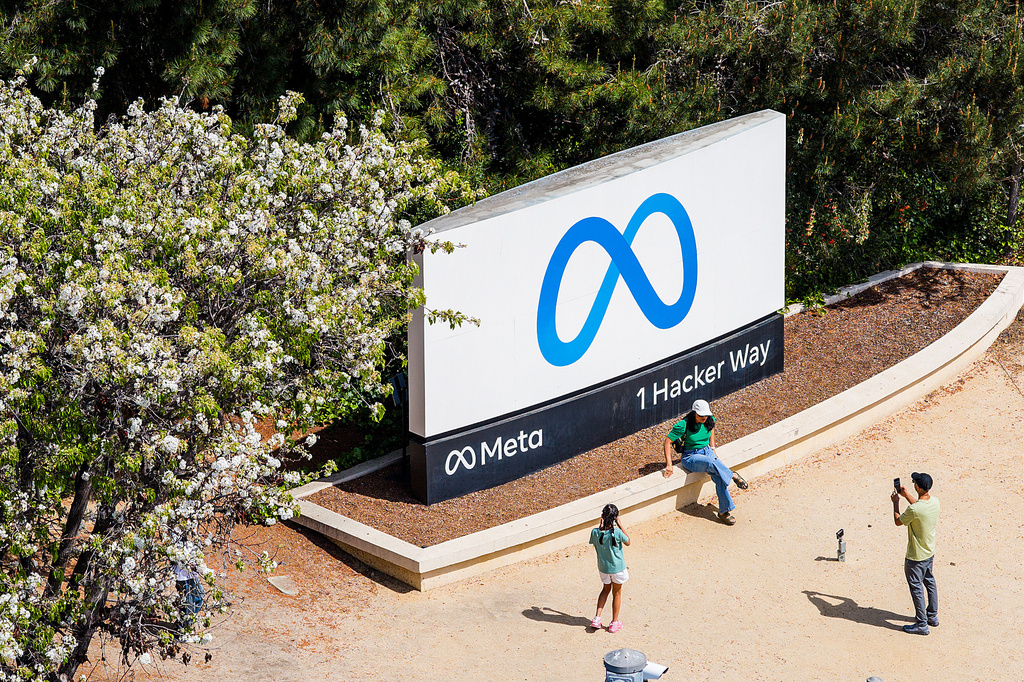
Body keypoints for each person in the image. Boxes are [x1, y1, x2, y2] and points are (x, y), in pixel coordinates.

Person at [662, 399, 748, 525]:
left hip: (707, 451)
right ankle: (733, 475)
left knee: (720, 478)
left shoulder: (709, 419)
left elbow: (711, 429)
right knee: (711, 462)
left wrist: (713, 448)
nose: (704, 418)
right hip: (691, 456)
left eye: (706, 415)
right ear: (694, 413)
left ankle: (723, 511)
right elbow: (668, 441)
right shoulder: (684, 424)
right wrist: (669, 465)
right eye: (701, 415)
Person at [891, 471, 940, 635]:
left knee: (916, 588)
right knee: (930, 582)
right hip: (929, 552)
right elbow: (919, 508)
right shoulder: (935, 502)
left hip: (916, 557)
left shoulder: (914, 509)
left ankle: (922, 624)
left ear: (917, 487)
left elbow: (898, 521)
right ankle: (932, 616)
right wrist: (906, 495)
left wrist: (896, 503)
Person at [588, 503, 630, 633]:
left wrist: (600, 528)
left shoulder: (595, 532)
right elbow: (628, 541)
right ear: (615, 518)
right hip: (617, 569)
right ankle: (614, 623)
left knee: (605, 590)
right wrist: (621, 525)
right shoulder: (617, 532)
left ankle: (597, 618)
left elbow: (595, 540)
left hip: (603, 568)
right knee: (616, 593)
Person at [172, 561, 206, 630]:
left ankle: (183, 622)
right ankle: (184, 626)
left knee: (200, 596)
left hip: (192, 574)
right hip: (183, 576)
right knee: (189, 603)